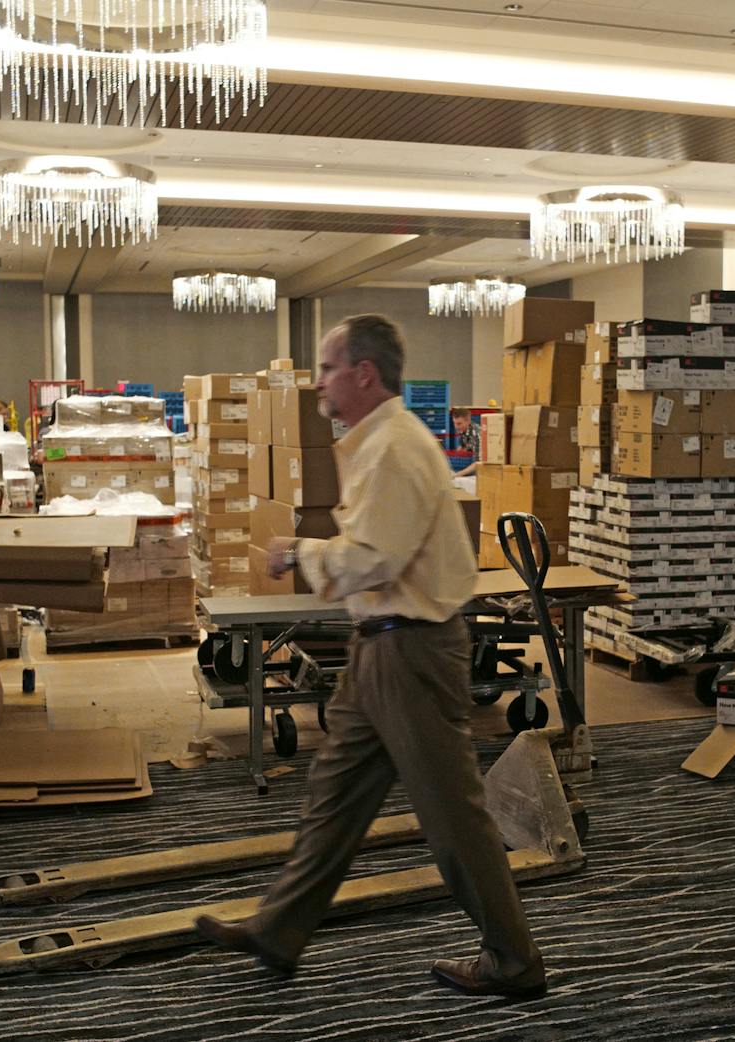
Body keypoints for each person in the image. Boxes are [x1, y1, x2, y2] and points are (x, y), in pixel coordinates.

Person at [194, 314, 546, 1000]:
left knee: (452, 816)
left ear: (363, 374)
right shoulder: (380, 441)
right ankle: (279, 929)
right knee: (335, 798)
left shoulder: (392, 450)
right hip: (378, 647)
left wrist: (297, 551)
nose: (319, 382)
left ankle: (515, 960)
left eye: (327, 368)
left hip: (410, 650)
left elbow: (372, 558)